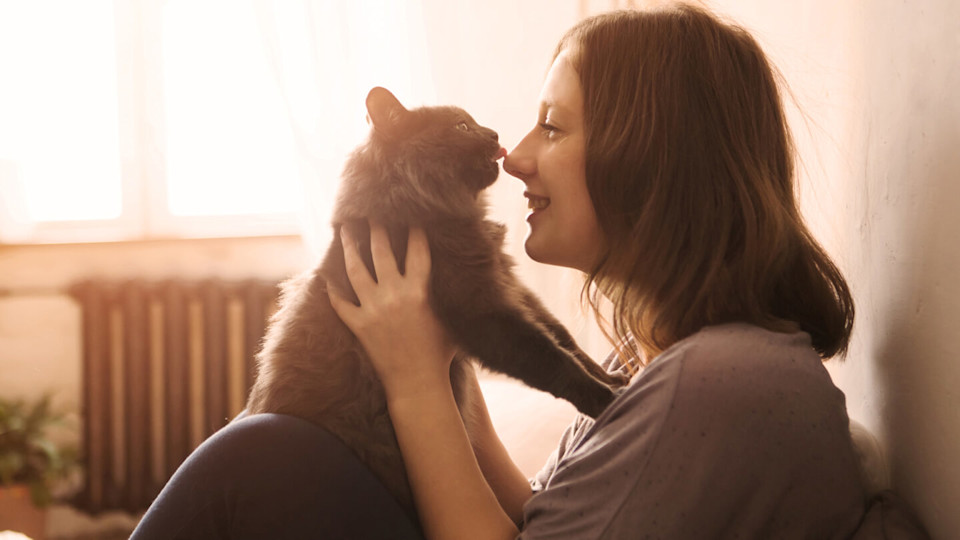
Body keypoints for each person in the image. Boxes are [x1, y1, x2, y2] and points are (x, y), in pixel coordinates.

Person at [132, 5, 928, 539]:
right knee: (261, 450)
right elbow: (541, 517)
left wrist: (413, 383)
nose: (513, 156)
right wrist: (445, 364)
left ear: (647, 160)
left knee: (260, 456)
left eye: (552, 126)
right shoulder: (654, 362)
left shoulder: (720, 378)